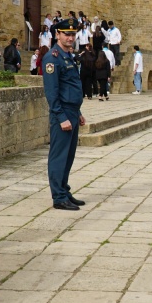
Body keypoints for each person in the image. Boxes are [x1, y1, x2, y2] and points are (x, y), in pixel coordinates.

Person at [42, 18, 86, 211]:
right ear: (57, 34)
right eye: (66, 34)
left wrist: (79, 113)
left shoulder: (67, 55)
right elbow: (52, 93)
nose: (70, 37)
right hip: (63, 114)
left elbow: (71, 86)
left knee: (68, 156)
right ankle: (58, 197)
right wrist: (61, 117)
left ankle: (64, 190)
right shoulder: (52, 57)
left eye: (73, 34)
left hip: (73, 112)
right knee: (59, 156)